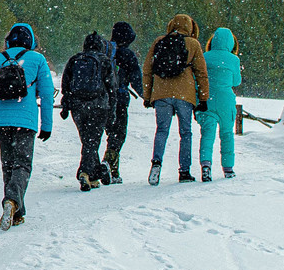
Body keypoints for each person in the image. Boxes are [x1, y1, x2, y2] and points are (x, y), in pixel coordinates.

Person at [0, 22, 54, 228]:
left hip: (1, 120)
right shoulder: (37, 60)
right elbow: (47, 95)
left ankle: (17, 212)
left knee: (8, 165)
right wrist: (46, 125)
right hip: (25, 120)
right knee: (22, 164)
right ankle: (11, 200)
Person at [142, 12, 210, 185]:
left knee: (162, 130)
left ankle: (156, 164)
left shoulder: (159, 41)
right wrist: (203, 98)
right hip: (184, 94)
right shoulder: (193, 44)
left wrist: (148, 95)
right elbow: (201, 73)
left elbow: (148, 70)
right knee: (185, 132)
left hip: (161, 93)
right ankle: (184, 171)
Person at [61, 31, 114, 190]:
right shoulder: (104, 61)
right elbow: (112, 89)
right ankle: (84, 172)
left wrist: (66, 105)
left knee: (88, 141)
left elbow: (66, 85)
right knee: (92, 142)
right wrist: (112, 112)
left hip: (78, 107)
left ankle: (93, 174)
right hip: (98, 106)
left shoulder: (74, 60)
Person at [199, 25, 244, 179]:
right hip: (226, 100)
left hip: (207, 100)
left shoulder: (205, 56)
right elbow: (236, 81)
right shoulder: (234, 59)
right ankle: (228, 168)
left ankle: (206, 166)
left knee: (207, 134)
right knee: (226, 134)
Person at [105, 21, 143, 183]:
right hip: (120, 99)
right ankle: (107, 164)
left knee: (107, 133)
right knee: (118, 134)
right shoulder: (127, 54)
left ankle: (113, 172)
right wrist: (147, 97)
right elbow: (136, 80)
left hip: (102, 99)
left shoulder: (105, 50)